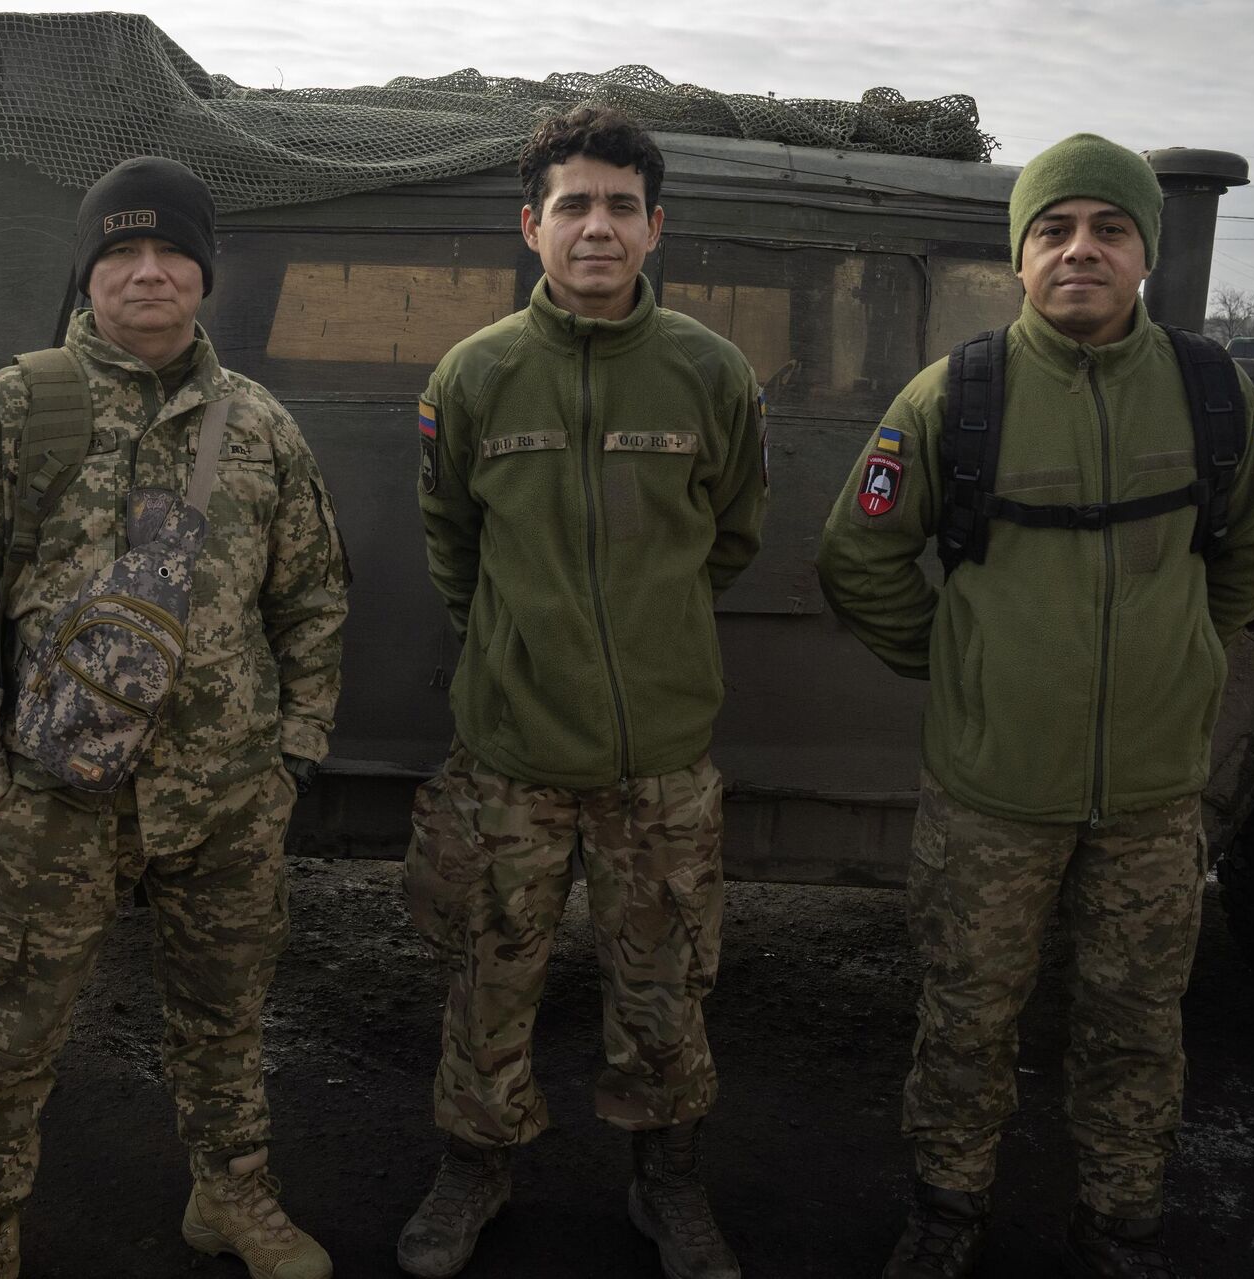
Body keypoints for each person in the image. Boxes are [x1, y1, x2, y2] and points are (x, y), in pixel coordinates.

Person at [815, 133, 1254, 1279]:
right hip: (992, 799)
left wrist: (1185, 655)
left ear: (1145, 257)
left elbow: (1251, 546)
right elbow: (859, 555)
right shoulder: (953, 396)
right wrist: (961, 663)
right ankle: (945, 1212)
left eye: (1109, 229)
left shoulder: (1214, 392)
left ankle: (1118, 1224)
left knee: (1136, 1025)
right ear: (1020, 258)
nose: (1082, 249)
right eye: (1055, 230)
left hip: (1150, 801)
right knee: (966, 1017)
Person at [0, 156, 349, 1279]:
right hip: (52, 793)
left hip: (226, 792)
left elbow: (314, 596)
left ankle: (233, 1193)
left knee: (225, 1011)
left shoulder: (259, 426)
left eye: (171, 254)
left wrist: (291, 753)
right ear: (89, 272)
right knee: (6, 1022)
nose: (148, 274)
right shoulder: (16, 407)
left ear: (205, 274)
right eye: (121, 254)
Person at [399, 105, 768, 1279]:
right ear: (531, 226)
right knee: (487, 979)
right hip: (508, 758)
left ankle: (668, 1183)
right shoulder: (475, 375)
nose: (595, 226)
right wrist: (517, 649)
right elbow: (452, 541)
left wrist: (651, 651)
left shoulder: (712, 374)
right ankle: (472, 1170)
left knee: (666, 988)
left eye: (619, 205)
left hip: (660, 758)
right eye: (573, 204)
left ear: (656, 227)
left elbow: (733, 536)